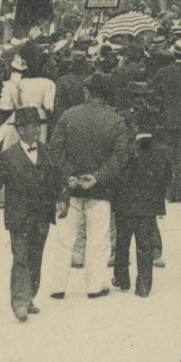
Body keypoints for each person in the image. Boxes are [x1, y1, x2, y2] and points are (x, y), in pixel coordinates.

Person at [44, 73, 131, 301]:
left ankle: (57, 287)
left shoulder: (68, 116)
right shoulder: (116, 121)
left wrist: (68, 174)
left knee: (64, 239)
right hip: (100, 189)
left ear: (87, 92)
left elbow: (54, 151)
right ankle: (94, 287)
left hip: (70, 189)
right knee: (98, 239)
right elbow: (120, 157)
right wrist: (98, 177)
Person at [0, 107, 59, 321]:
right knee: (20, 259)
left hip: (41, 217)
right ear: (20, 129)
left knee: (35, 259)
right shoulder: (8, 157)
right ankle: (19, 301)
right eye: (32, 126)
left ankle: (29, 297)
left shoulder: (48, 152)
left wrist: (63, 200)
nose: (37, 130)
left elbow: (57, 180)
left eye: (39, 126)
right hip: (19, 218)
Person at [111, 125, 170, 298]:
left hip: (125, 205)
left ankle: (122, 279)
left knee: (123, 242)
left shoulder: (127, 151)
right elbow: (168, 179)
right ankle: (144, 286)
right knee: (145, 245)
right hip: (148, 207)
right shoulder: (162, 151)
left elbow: (119, 177)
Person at [150, 38, 181, 203]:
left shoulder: (163, 72)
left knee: (166, 157)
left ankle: (167, 192)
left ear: (174, 53)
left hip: (166, 121)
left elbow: (155, 96)